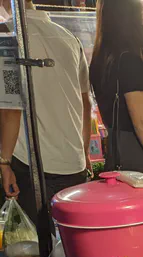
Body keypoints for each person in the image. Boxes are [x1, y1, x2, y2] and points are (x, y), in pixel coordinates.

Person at [0, 0, 91, 230]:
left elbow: (11, 108)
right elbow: (85, 103)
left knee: (29, 249)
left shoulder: (7, 36)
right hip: (73, 162)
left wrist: (4, 162)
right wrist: (84, 152)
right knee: (69, 247)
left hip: (28, 165)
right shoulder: (69, 38)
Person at [89, 0, 143, 199]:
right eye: (141, 19)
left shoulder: (101, 59)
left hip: (118, 152)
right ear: (128, 21)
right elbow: (141, 123)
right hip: (142, 159)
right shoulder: (128, 60)